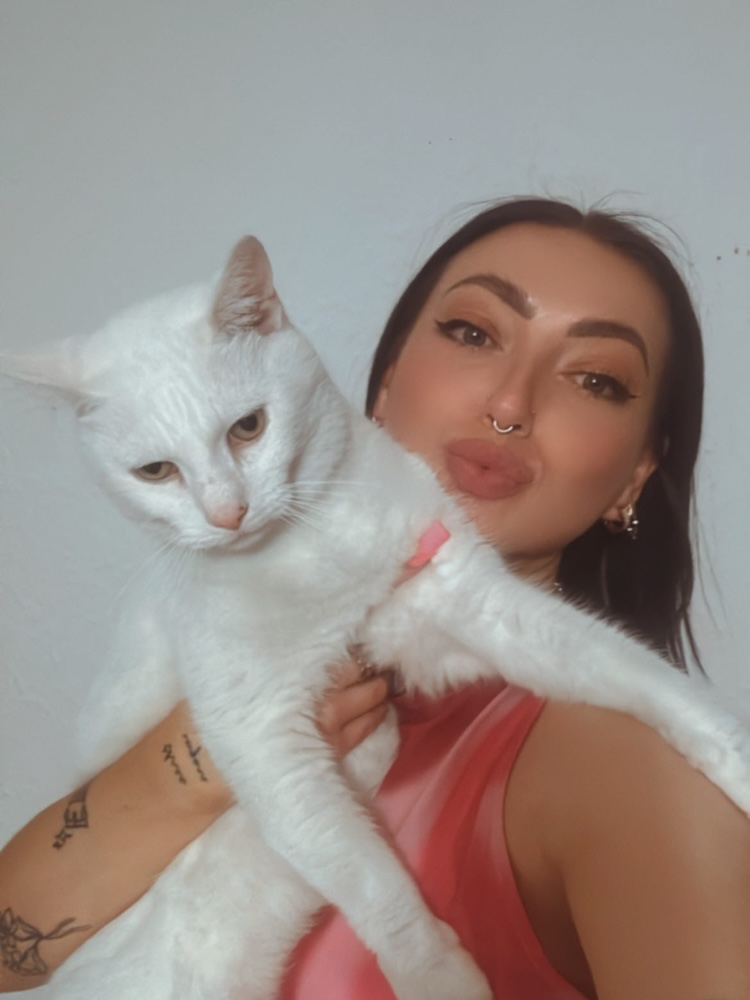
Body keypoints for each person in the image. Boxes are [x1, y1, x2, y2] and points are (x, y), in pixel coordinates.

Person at [1, 198, 749, 999]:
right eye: (473, 333)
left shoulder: (630, 778)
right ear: (386, 380)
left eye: (595, 379)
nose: (509, 405)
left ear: (636, 475)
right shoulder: (212, 640)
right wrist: (204, 759)